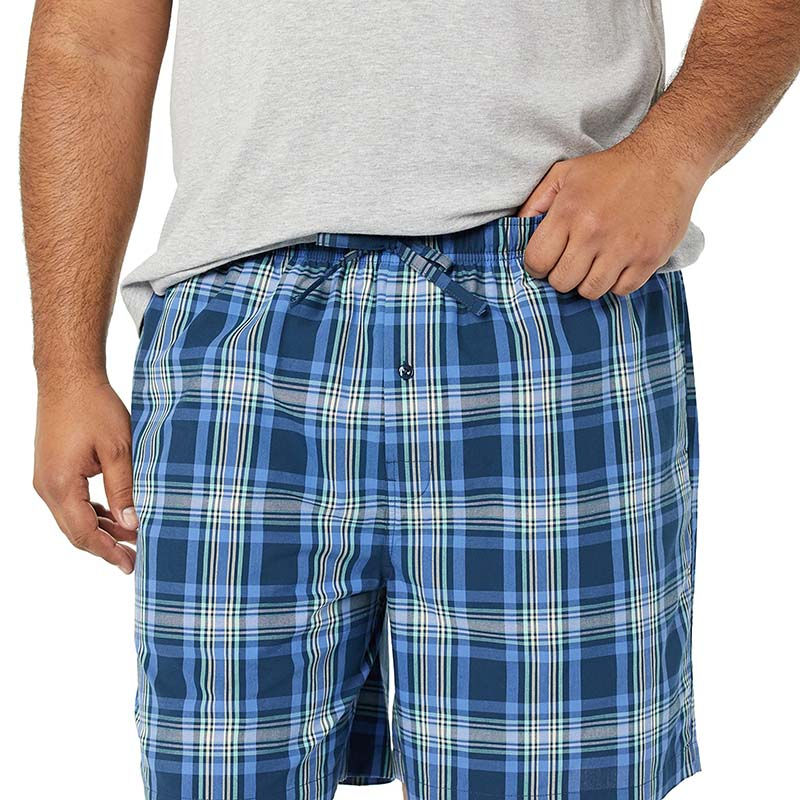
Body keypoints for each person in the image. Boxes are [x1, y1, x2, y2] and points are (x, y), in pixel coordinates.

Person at [20, 2, 800, 799]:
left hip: (550, 290)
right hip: (243, 324)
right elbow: (93, 33)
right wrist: (66, 364)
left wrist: (672, 155)